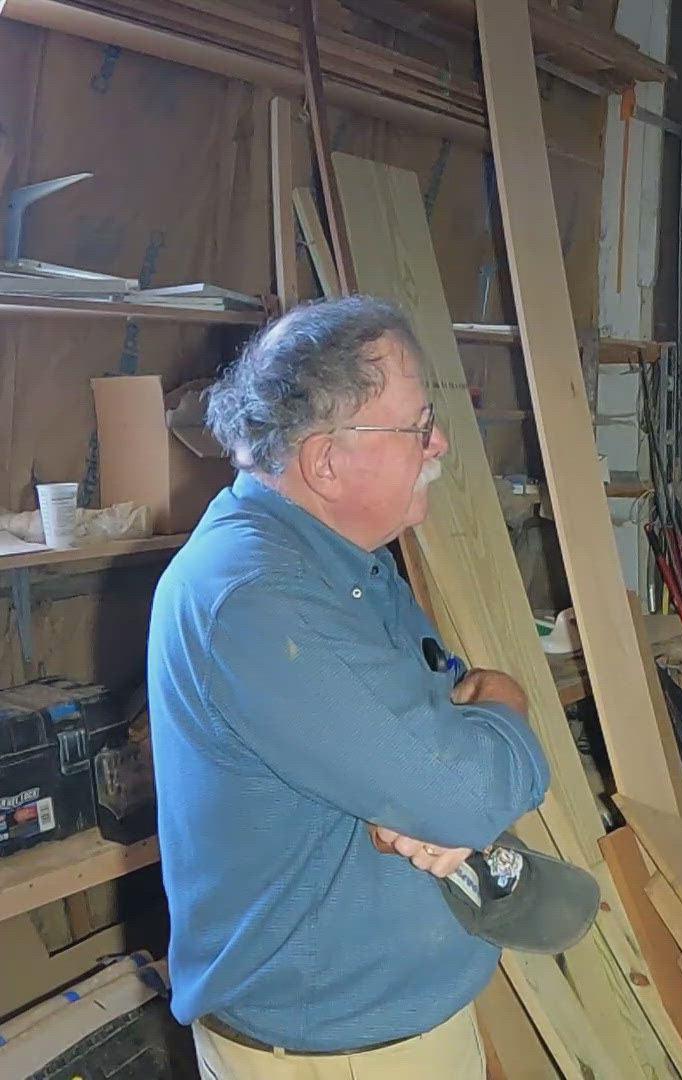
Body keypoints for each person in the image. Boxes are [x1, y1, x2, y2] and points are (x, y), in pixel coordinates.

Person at [149, 297, 552, 1077]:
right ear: (326, 462)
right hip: (334, 1049)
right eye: (416, 426)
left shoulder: (340, 559)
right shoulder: (260, 599)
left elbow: (428, 725)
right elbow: (466, 791)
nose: (438, 443)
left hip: (379, 1021)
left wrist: (431, 780)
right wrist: (508, 703)